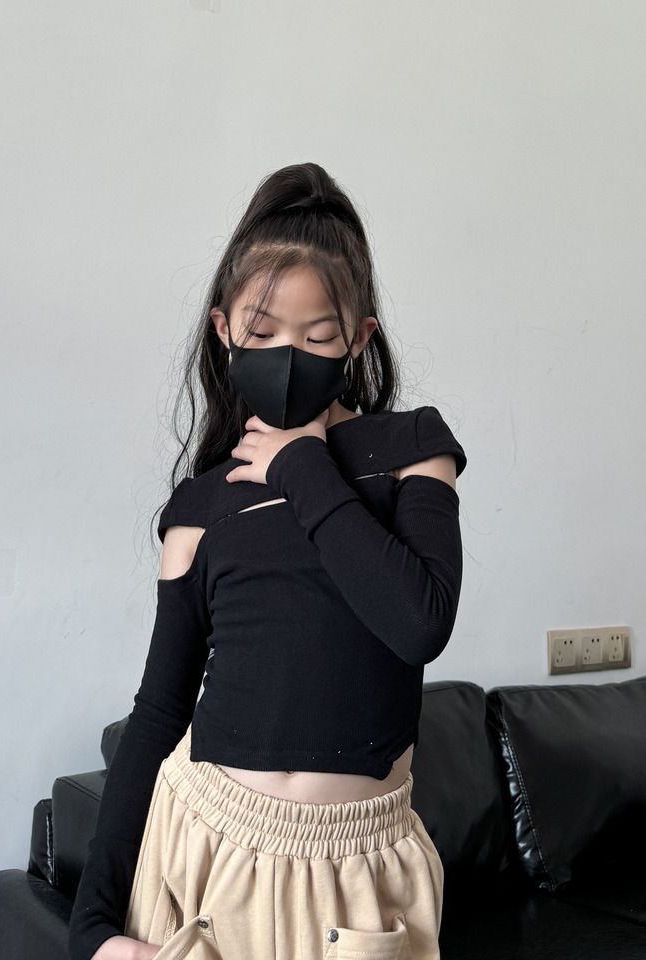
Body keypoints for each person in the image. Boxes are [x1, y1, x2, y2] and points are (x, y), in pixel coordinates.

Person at [68, 161, 467, 960]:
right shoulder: (200, 507)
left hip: (359, 870)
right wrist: (94, 927)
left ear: (359, 338)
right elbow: (159, 712)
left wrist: (301, 466)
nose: (288, 355)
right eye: (261, 333)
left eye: (318, 337)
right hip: (206, 847)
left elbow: (420, 622)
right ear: (222, 331)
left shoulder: (411, 449)